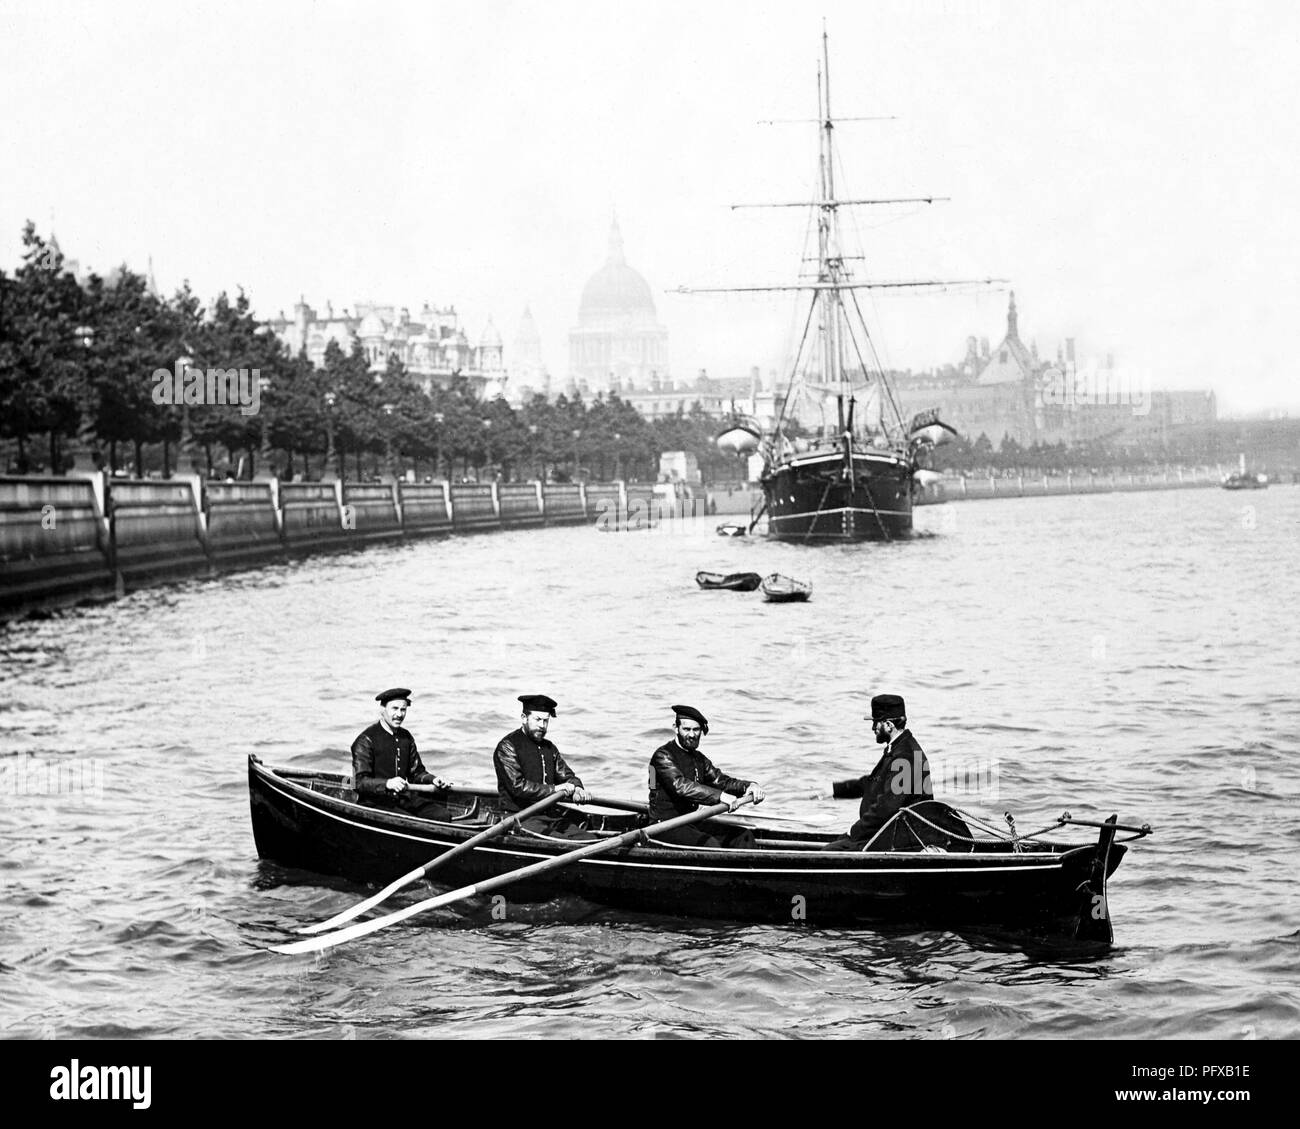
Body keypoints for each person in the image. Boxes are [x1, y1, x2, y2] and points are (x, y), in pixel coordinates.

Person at [820, 693, 932, 851]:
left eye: (876, 723)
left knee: (829, 853)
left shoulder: (906, 756)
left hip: (901, 840)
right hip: (887, 833)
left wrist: (855, 831)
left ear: (888, 725)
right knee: (837, 844)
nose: (873, 728)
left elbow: (886, 807)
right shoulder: (900, 748)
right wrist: (835, 790)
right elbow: (872, 782)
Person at [647, 705, 766, 848]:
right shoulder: (663, 756)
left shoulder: (699, 759)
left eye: (696, 730)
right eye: (686, 729)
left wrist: (749, 786)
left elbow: (721, 781)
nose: (692, 735)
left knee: (743, 836)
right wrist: (720, 796)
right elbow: (681, 786)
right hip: (664, 825)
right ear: (676, 728)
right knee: (710, 845)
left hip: (690, 821)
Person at [492, 694, 592, 836]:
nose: (542, 725)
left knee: (588, 838)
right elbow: (518, 787)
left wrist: (577, 789)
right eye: (537, 719)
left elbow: (568, 776)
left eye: (546, 721)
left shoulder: (549, 748)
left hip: (550, 816)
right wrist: (555, 789)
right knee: (563, 842)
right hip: (519, 818)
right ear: (524, 718)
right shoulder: (508, 746)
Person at [351, 688, 449, 812]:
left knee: (441, 815)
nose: (399, 714)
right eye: (394, 709)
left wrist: (433, 779)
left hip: (402, 799)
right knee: (412, 822)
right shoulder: (366, 740)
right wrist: (387, 783)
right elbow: (358, 782)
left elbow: (416, 773)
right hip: (375, 803)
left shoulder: (406, 737)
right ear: (382, 710)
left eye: (403, 709)